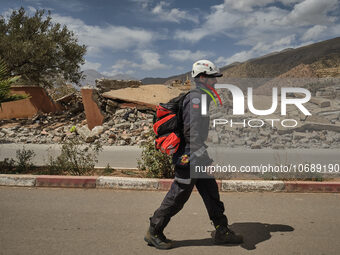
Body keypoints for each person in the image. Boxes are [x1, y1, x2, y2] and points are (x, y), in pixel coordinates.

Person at [144, 60, 243, 249]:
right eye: (213, 78)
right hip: (189, 155)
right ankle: (154, 231)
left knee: (211, 192)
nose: (215, 81)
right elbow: (192, 131)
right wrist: (199, 154)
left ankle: (222, 230)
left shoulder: (201, 97)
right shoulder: (196, 98)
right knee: (178, 196)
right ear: (203, 78)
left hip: (196, 154)